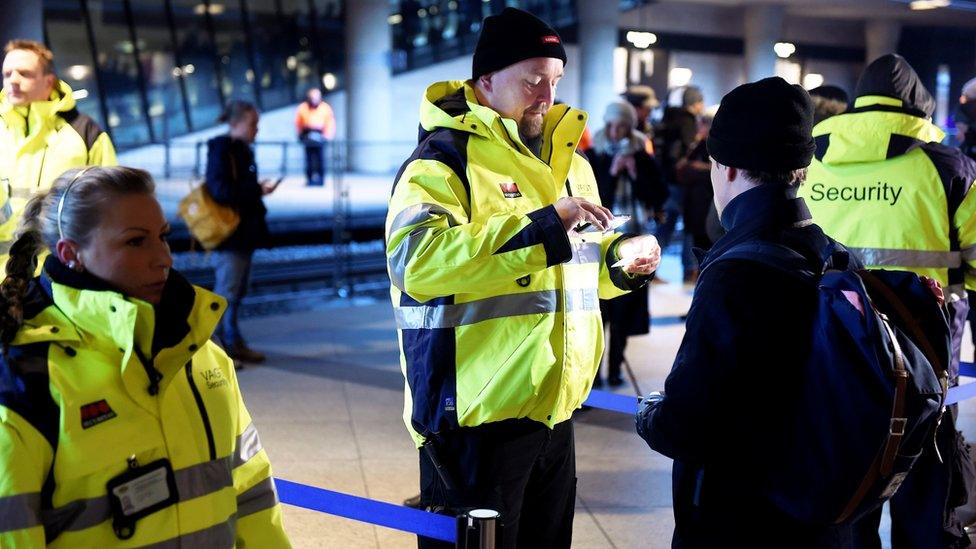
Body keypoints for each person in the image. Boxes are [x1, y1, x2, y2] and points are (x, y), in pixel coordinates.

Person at [385, 8, 661, 548]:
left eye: (555, 81)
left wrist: (621, 262)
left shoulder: (571, 165)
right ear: (485, 80)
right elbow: (416, 262)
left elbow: (578, 270)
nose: (547, 95)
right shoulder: (442, 163)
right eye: (533, 79)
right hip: (471, 420)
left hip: (555, 410)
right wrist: (543, 228)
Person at [0, 166, 290, 547]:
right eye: (136, 242)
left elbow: (251, 490)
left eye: (163, 237)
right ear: (72, 254)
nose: (163, 258)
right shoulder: (26, 376)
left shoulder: (201, 352)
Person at [636, 77, 859, 546]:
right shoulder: (837, 257)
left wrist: (649, 415)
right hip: (821, 516)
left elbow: (687, 424)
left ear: (729, 169)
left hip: (740, 520)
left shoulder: (736, 271)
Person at [799, 53, 976, 549]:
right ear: (920, 107)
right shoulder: (950, 169)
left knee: (848, 500)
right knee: (924, 500)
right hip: (925, 365)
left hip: (835, 358)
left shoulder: (811, 158)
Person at [0, 39, 116, 262]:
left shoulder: (86, 134)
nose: (13, 80)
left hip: (62, 277)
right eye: (7, 74)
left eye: (24, 74)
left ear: (48, 82)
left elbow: (111, 206)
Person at [586, 100, 666, 387]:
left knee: (624, 310)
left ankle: (616, 365)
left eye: (622, 125)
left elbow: (658, 194)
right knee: (596, 311)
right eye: (612, 125)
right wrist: (611, 172)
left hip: (634, 241)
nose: (616, 131)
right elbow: (590, 200)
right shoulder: (593, 153)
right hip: (599, 242)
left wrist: (634, 173)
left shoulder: (641, 154)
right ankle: (593, 373)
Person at [206, 101, 277, 364]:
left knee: (236, 292)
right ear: (236, 123)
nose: (256, 130)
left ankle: (233, 343)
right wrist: (256, 190)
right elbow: (220, 191)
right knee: (226, 293)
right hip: (229, 235)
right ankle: (216, 352)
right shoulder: (222, 150)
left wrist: (256, 188)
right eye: (252, 124)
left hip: (243, 232)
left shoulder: (241, 150)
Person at [655, 85, 705, 284]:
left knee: (664, 228)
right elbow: (687, 150)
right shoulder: (688, 121)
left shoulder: (667, 119)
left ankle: (648, 267)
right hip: (682, 184)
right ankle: (690, 269)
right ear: (694, 103)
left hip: (666, 182)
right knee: (690, 227)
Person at [294, 88, 336, 187]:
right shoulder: (302, 108)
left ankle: (321, 179)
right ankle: (309, 179)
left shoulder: (325, 108)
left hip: (320, 136)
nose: (313, 100)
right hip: (307, 135)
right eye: (312, 98)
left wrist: (327, 136)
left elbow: (330, 123)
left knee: (320, 159)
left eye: (316, 98)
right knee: (308, 159)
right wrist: (300, 135)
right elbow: (298, 123)